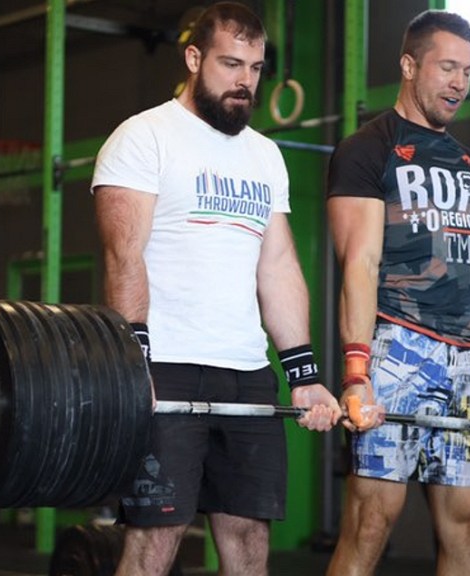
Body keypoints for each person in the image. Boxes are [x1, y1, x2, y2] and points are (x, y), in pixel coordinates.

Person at [90, 3, 342, 574]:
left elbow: (277, 266)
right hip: (166, 366)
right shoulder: (144, 137)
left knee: (249, 539)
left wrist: (303, 374)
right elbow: (123, 256)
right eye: (231, 64)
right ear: (193, 58)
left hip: (247, 372)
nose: (244, 81)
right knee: (156, 539)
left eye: (255, 67)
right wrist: (135, 366)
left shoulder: (265, 155)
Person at [325, 10, 470, 576]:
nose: (459, 83)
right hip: (397, 347)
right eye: (447, 68)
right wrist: (356, 372)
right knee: (371, 521)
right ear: (408, 65)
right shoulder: (368, 150)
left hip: (469, 361)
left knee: (469, 527)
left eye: (468, 71)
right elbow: (360, 263)